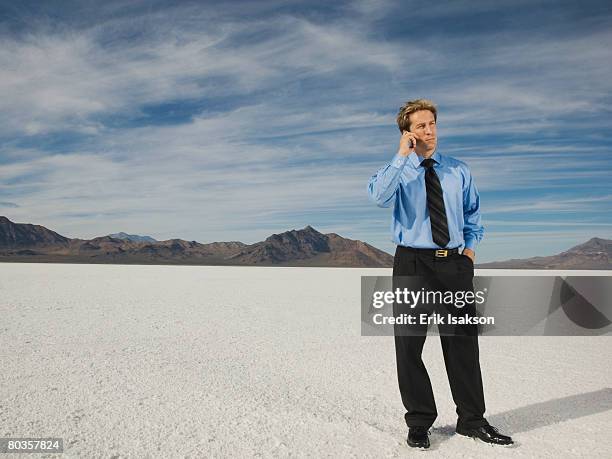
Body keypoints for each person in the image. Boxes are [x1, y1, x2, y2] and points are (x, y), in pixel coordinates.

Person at [367, 99, 513, 449]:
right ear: (407, 132)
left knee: (463, 345)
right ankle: (419, 422)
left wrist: (470, 254)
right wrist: (401, 156)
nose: (429, 131)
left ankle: (472, 421)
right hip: (412, 264)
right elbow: (378, 196)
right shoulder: (398, 170)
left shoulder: (458, 170)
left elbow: (473, 214)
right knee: (409, 346)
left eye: (432, 123)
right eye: (420, 126)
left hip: (453, 264)